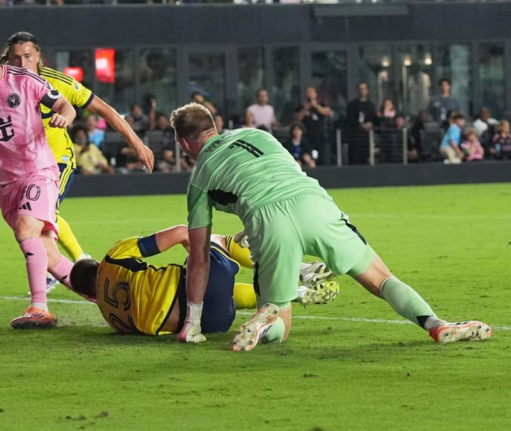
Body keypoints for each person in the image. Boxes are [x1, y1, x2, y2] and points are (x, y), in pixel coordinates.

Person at [169, 102, 491, 349]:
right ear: (214, 126)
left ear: (184, 144)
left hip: (267, 221)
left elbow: (199, 257)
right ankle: (435, 323)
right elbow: (283, 173)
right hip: (312, 201)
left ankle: (267, 320)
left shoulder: (198, 180)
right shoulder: (257, 134)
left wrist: (193, 322)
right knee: (381, 279)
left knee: (282, 320)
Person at [2, 31, 154, 289]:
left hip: (56, 162)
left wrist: (137, 143)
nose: (22, 64)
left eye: (27, 57)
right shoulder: (0, 85)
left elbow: (104, 109)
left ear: (39, 57)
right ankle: (78, 263)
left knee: (39, 215)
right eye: (15, 59)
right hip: (24, 167)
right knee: (29, 219)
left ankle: (72, 266)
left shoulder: (56, 82)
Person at [0, 24, 79, 329]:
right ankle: (103, 295)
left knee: (26, 229)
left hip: (39, 172)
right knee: (49, 255)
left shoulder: (25, 81)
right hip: (5, 184)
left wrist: (65, 115)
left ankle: (39, 308)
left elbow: (63, 103)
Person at [69, 225, 339, 337]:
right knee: (215, 241)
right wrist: (197, 256)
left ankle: (291, 293)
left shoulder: (110, 318)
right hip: (201, 286)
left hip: (213, 323)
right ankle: (298, 271)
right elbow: (180, 232)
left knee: (225, 292)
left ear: (89, 296)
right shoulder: (113, 257)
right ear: (96, 264)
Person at [295, 86, 332, 159]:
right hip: (307, 135)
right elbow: (296, 119)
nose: (310, 94)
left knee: (323, 155)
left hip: (320, 135)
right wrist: (304, 110)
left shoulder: (321, 104)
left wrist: (316, 106)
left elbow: (327, 112)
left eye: (312, 92)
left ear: (315, 94)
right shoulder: (302, 106)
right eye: (308, 92)